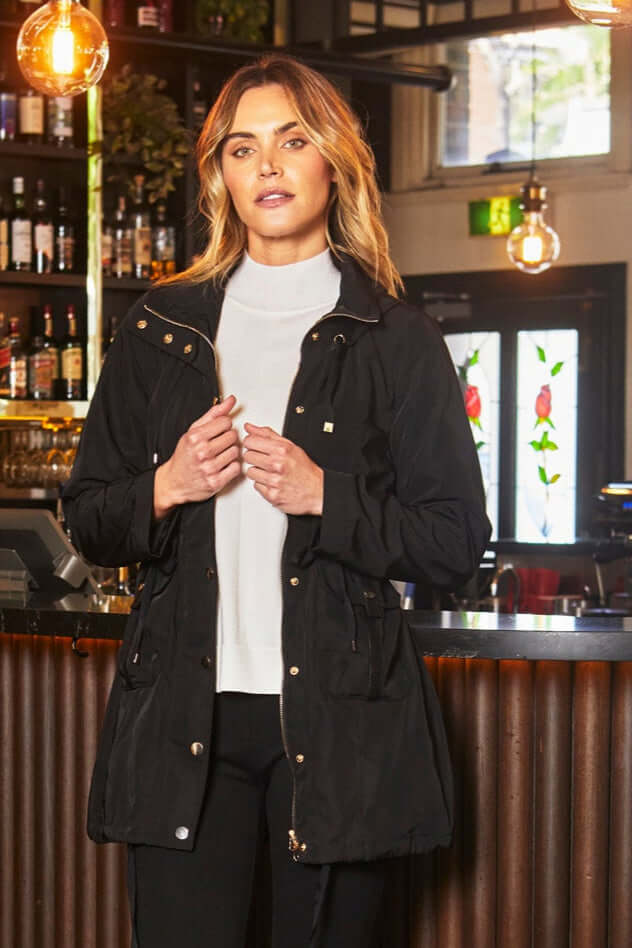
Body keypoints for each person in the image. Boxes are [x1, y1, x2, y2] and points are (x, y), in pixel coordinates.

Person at [62, 53, 491, 948]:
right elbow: (90, 520)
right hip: (184, 717)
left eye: (292, 141)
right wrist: (167, 487)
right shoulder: (159, 326)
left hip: (341, 724)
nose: (267, 165)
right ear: (220, 173)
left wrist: (325, 496)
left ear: (333, 160)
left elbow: (455, 541)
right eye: (242, 148)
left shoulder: (396, 337)